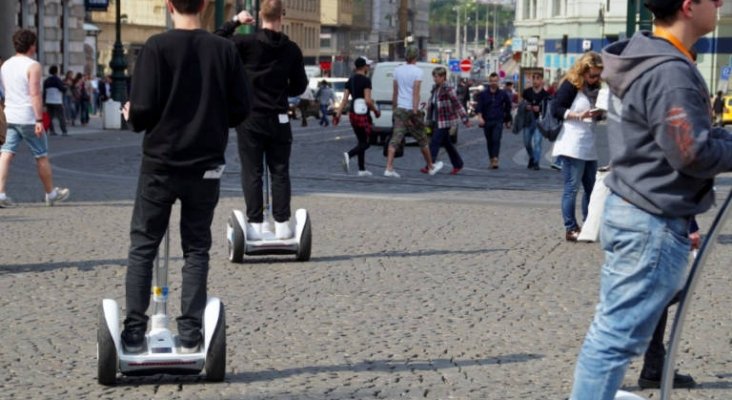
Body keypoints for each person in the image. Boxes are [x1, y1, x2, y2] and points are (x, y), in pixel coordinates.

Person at [570, 0, 731, 397]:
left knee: (611, 335)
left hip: (641, 210)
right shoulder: (670, 72)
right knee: (612, 341)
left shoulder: (651, 56)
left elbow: (688, 140)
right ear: (689, 7)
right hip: (650, 220)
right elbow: (692, 152)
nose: (722, 4)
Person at [119, 0, 250, 353]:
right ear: (206, 5)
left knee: (144, 244)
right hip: (205, 164)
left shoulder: (156, 47)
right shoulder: (224, 50)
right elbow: (240, 109)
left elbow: (143, 110)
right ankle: (191, 332)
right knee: (196, 248)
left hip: (161, 162)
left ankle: (134, 330)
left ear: (168, 4)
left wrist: (131, 113)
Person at [216, 0, 308, 240]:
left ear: (258, 16)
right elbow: (300, 85)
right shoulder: (291, 49)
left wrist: (235, 21)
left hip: (251, 117)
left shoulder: (245, 43)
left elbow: (216, 41)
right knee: (280, 171)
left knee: (252, 171)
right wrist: (281, 90)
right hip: (278, 117)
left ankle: (255, 224)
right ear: (282, 16)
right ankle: (282, 224)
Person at [0, 29, 70, 208]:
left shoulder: (5, 65)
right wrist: (39, 120)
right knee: (41, 155)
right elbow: (35, 94)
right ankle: (50, 193)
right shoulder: (33, 66)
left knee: (6, 154)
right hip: (28, 117)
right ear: (32, 46)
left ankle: (0, 194)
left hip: (10, 115)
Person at [551, 52, 603, 242]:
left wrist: (599, 113)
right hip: (572, 143)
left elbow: (597, 113)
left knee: (592, 187)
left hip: (588, 143)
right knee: (572, 187)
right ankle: (571, 228)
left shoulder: (595, 88)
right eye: (592, 75)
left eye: (598, 75)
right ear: (583, 71)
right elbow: (555, 108)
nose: (595, 79)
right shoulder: (571, 85)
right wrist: (577, 115)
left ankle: (589, 225)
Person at [384, 46, 443, 178]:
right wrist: (415, 111)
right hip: (411, 108)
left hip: (400, 108)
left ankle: (389, 168)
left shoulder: (397, 70)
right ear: (416, 56)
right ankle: (431, 166)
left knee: (396, 138)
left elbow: (395, 91)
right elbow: (416, 92)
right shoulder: (418, 71)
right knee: (422, 138)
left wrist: (395, 108)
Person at [335, 56, 380, 177]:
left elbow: (344, 100)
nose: (368, 68)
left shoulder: (350, 81)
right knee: (366, 143)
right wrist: (376, 111)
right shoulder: (366, 81)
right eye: (367, 66)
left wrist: (338, 114)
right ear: (364, 67)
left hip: (353, 114)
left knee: (361, 141)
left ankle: (362, 169)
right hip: (363, 115)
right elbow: (368, 100)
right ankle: (348, 155)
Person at [425, 66, 470, 175]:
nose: (435, 79)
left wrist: (465, 118)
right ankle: (458, 164)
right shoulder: (435, 88)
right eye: (434, 76)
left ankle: (430, 165)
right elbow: (434, 102)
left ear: (443, 77)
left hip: (445, 121)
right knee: (447, 144)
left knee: (434, 142)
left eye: (437, 77)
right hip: (437, 120)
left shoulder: (448, 88)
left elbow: (457, 104)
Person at [475, 72, 511, 169]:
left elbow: (508, 106)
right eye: (492, 81)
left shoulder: (503, 94)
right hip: (487, 121)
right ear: (489, 81)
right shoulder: (483, 94)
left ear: (498, 81)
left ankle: (495, 159)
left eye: (495, 81)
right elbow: (479, 107)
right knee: (489, 141)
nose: (494, 83)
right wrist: (480, 117)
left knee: (496, 139)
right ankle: (491, 158)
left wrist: (507, 119)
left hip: (498, 120)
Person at [521, 72, 550, 170]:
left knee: (537, 142)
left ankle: (536, 162)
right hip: (528, 120)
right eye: (534, 78)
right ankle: (532, 157)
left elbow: (548, 108)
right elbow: (521, 105)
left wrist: (540, 108)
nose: (535, 81)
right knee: (527, 142)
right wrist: (526, 106)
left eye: (537, 78)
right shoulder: (526, 92)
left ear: (541, 80)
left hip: (539, 121)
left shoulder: (545, 94)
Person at [43, 65, 67, 136]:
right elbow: (62, 89)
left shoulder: (46, 80)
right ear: (56, 71)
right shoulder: (57, 79)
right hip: (57, 100)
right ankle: (64, 130)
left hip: (48, 100)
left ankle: (52, 130)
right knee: (61, 116)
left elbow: (44, 92)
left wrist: (44, 102)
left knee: (50, 116)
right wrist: (65, 87)